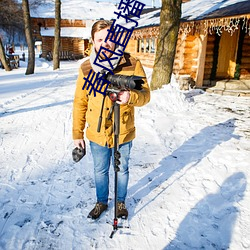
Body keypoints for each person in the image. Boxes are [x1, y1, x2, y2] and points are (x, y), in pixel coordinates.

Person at [72, 20, 150, 220]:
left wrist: (130, 97)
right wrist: (77, 134)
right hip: (97, 133)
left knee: (122, 168)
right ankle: (101, 202)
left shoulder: (132, 63)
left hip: (123, 130)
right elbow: (80, 102)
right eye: (100, 39)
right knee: (100, 170)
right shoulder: (87, 68)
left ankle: (121, 202)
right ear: (93, 42)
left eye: (109, 38)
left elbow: (146, 95)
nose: (105, 43)